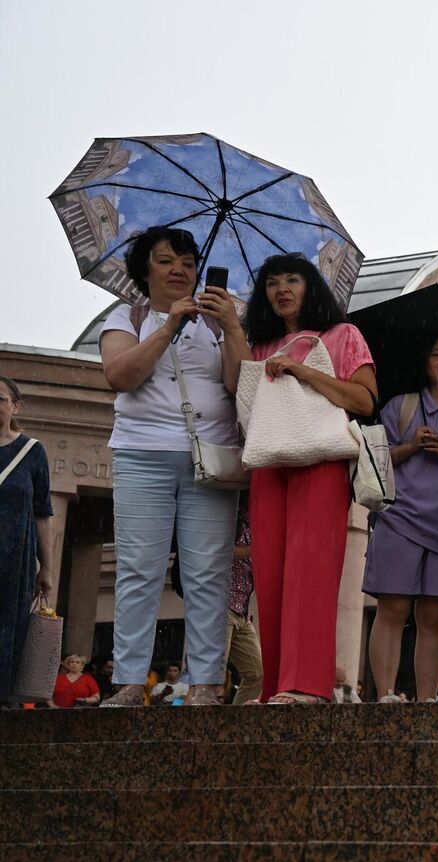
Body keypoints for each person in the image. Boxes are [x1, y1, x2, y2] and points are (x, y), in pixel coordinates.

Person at [96, 227, 247, 707]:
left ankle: (205, 683)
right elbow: (120, 375)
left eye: (187, 260)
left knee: (208, 572)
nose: (179, 269)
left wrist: (233, 329)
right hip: (143, 454)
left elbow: (241, 384)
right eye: (165, 261)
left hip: (213, 459)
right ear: (145, 271)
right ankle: (127, 682)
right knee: (139, 569)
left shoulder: (219, 322)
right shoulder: (128, 315)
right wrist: (168, 327)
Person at [242, 254, 378, 705]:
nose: (282, 289)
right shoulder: (261, 345)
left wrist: (304, 371)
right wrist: (227, 324)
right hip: (269, 459)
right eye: (272, 282)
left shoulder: (343, 336)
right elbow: (236, 392)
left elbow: (363, 400)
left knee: (311, 568)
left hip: (321, 459)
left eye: (293, 280)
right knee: (272, 569)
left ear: (311, 286)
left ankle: (307, 685)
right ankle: (276, 684)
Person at [364, 337, 438, 703]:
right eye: (437, 354)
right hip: (399, 520)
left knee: (434, 616)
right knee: (393, 607)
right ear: (424, 363)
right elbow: (376, 461)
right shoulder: (402, 406)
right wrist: (412, 445)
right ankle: (385, 695)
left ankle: (428, 700)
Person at [0, 375, 54, 706]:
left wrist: (46, 567)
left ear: (15, 406)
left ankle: (5, 702)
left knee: (9, 629)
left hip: (15, 561)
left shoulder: (32, 451)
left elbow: (42, 514)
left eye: (1, 398)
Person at [225, 498, 263, 704]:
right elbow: (222, 550)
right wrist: (256, 549)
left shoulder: (257, 525)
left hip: (242, 611)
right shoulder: (234, 518)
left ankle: (234, 727)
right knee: (212, 672)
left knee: (257, 673)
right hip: (222, 606)